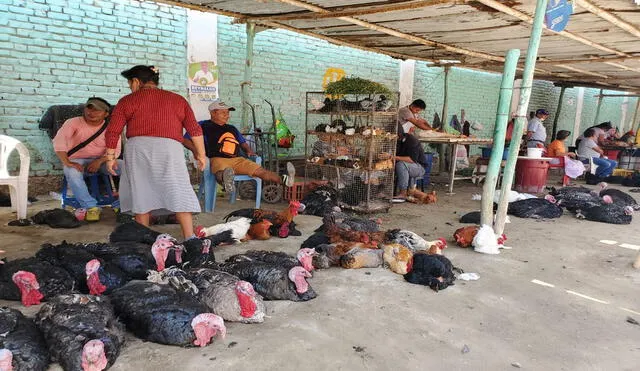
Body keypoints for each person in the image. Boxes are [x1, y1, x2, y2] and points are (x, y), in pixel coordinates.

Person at [104, 65, 207, 239]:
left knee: (141, 191)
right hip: (170, 149)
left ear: (136, 81)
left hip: (138, 149)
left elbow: (113, 131)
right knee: (177, 189)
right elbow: (195, 129)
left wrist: (110, 157)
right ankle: (190, 238)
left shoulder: (128, 100)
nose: (130, 87)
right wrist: (201, 155)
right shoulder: (177, 99)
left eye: (130, 83)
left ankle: (144, 239)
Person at [183, 100, 295, 194]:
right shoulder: (202, 125)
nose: (227, 116)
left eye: (227, 113)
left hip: (237, 160)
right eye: (223, 113)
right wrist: (196, 151)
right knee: (221, 171)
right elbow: (185, 139)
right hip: (216, 159)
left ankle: (284, 179)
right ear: (213, 113)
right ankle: (226, 181)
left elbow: (242, 142)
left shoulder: (232, 128)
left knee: (261, 171)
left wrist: (249, 151)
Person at [53, 97, 122, 222]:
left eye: (97, 111)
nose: (92, 113)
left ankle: (121, 204)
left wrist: (99, 161)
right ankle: (90, 207)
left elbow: (115, 151)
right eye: (89, 109)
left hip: (103, 160)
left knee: (128, 168)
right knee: (71, 171)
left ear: (106, 114)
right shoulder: (73, 123)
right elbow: (59, 143)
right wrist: (67, 162)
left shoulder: (111, 127)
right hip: (77, 160)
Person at [393, 122, 428, 201]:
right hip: (408, 166)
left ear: (399, 134)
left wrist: (392, 157)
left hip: (419, 167)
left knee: (401, 165)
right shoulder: (396, 142)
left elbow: (411, 160)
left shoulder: (412, 140)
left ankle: (403, 193)